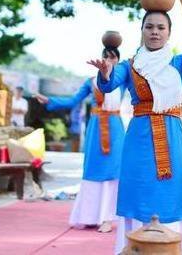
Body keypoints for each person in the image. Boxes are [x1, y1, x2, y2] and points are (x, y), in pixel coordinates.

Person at [89, 0, 182, 255]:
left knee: (170, 192)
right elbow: (109, 86)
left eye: (161, 28)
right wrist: (105, 74)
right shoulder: (130, 66)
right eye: (149, 27)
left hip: (171, 135)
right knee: (137, 191)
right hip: (140, 138)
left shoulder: (179, 63)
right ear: (142, 30)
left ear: (169, 32)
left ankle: (174, 248)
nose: (155, 32)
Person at [35, 39, 125, 234]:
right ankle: (87, 216)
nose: (109, 60)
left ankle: (108, 218)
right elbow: (73, 101)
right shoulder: (91, 82)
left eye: (113, 57)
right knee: (92, 170)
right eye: (106, 56)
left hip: (116, 130)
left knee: (113, 172)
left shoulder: (124, 80)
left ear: (118, 60)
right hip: (96, 129)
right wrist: (49, 100)